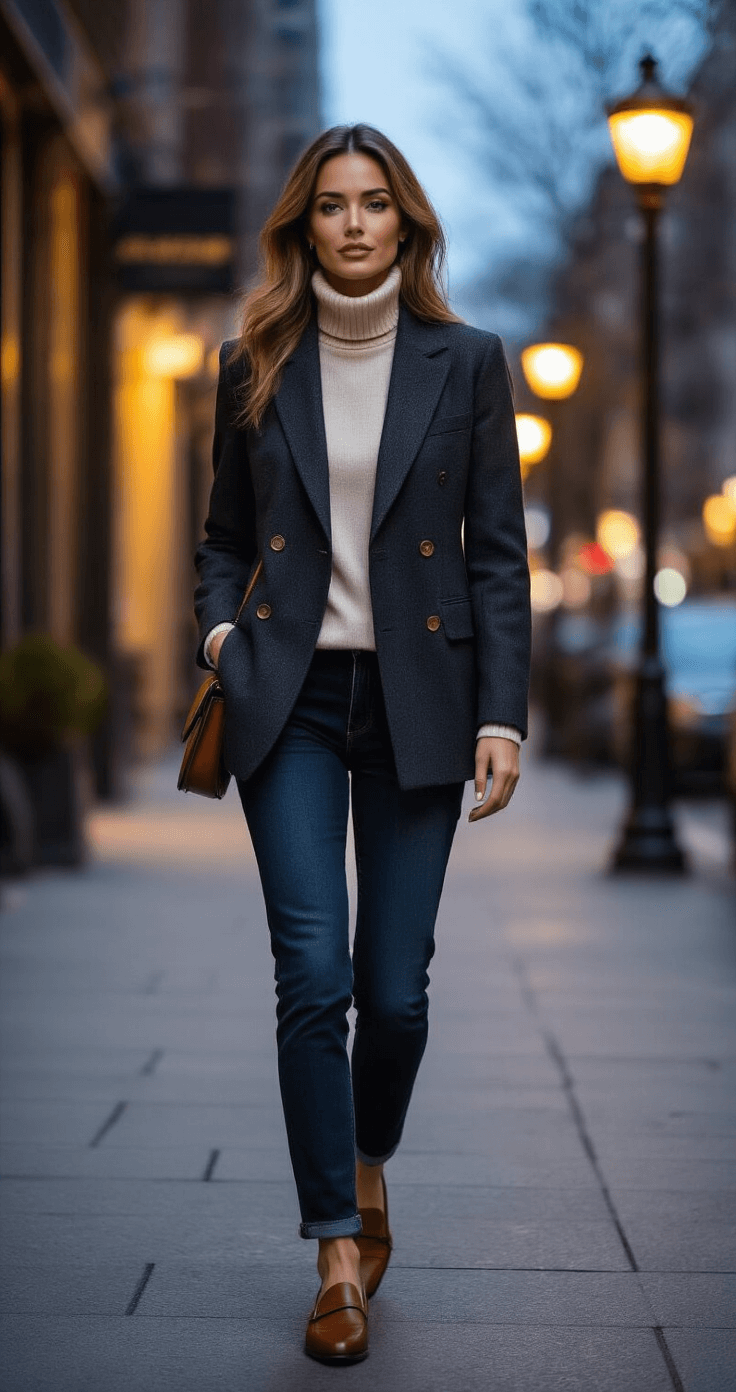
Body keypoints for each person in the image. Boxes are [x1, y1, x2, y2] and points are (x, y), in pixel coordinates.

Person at [194, 123, 531, 1365]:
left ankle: (368, 1158)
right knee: (312, 976)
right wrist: (222, 641)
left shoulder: (469, 362)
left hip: (421, 705)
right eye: (329, 203)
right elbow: (221, 540)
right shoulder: (251, 363)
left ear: (405, 223)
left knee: (393, 994)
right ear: (302, 224)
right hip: (286, 699)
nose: (350, 223)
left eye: (372, 203)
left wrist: (503, 713)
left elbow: (498, 553)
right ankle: (335, 1247)